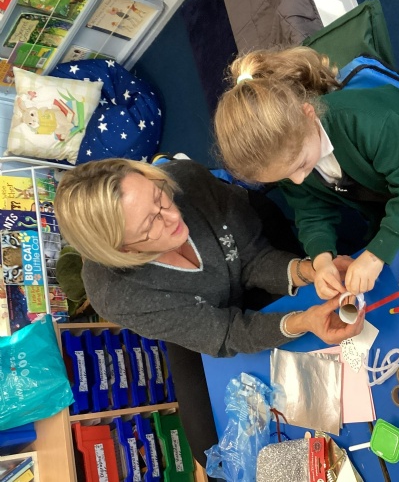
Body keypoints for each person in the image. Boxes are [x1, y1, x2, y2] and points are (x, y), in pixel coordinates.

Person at [54, 158, 364, 474]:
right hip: (189, 311)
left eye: (159, 196)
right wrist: (304, 321)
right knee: (209, 448)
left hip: (240, 256)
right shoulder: (116, 294)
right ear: (124, 250)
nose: (172, 215)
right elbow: (227, 333)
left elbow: (253, 260)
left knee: (308, 318)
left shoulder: (187, 181)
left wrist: (308, 271)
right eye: (150, 224)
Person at [214, 46, 399, 298]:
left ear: (309, 115)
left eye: (301, 166)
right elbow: (311, 214)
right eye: (285, 178)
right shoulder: (289, 159)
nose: (298, 180)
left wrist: (375, 256)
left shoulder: (366, 121)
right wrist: (322, 260)